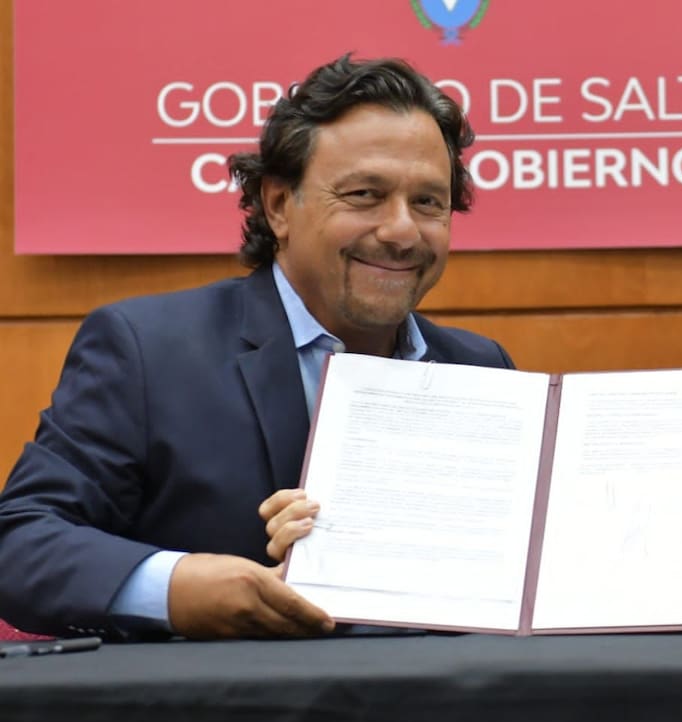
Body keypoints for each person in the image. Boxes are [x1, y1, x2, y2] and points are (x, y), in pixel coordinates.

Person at [0, 55, 514, 640]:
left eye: (428, 202)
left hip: (450, 715)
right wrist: (179, 588)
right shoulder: (148, 352)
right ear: (277, 206)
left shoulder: (481, 369)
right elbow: (21, 542)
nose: (401, 230)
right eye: (366, 194)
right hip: (223, 720)